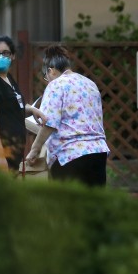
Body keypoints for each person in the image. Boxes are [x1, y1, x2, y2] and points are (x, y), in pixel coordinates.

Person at [25, 45, 111, 186]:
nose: (48, 81)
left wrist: (34, 150)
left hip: (70, 155)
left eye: (46, 77)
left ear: (50, 71)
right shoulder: (90, 84)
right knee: (94, 206)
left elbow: (49, 123)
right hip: (98, 153)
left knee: (71, 206)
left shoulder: (56, 85)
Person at [0, 36, 45, 171]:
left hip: (12, 154)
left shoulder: (7, 78)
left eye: (5, 53)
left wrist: (31, 110)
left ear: (12, 56)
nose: (1, 56)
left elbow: (11, 107)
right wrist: (0, 156)